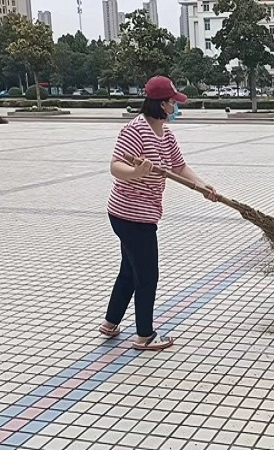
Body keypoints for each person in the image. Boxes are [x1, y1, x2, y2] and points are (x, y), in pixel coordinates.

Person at [100, 75, 218, 351]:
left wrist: (202, 186)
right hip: (129, 215)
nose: (175, 108)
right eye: (173, 103)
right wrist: (136, 172)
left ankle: (110, 322)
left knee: (130, 270)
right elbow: (116, 166)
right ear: (162, 104)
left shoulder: (166, 135)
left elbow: (179, 167)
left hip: (146, 213)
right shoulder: (134, 130)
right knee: (147, 275)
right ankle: (144, 335)